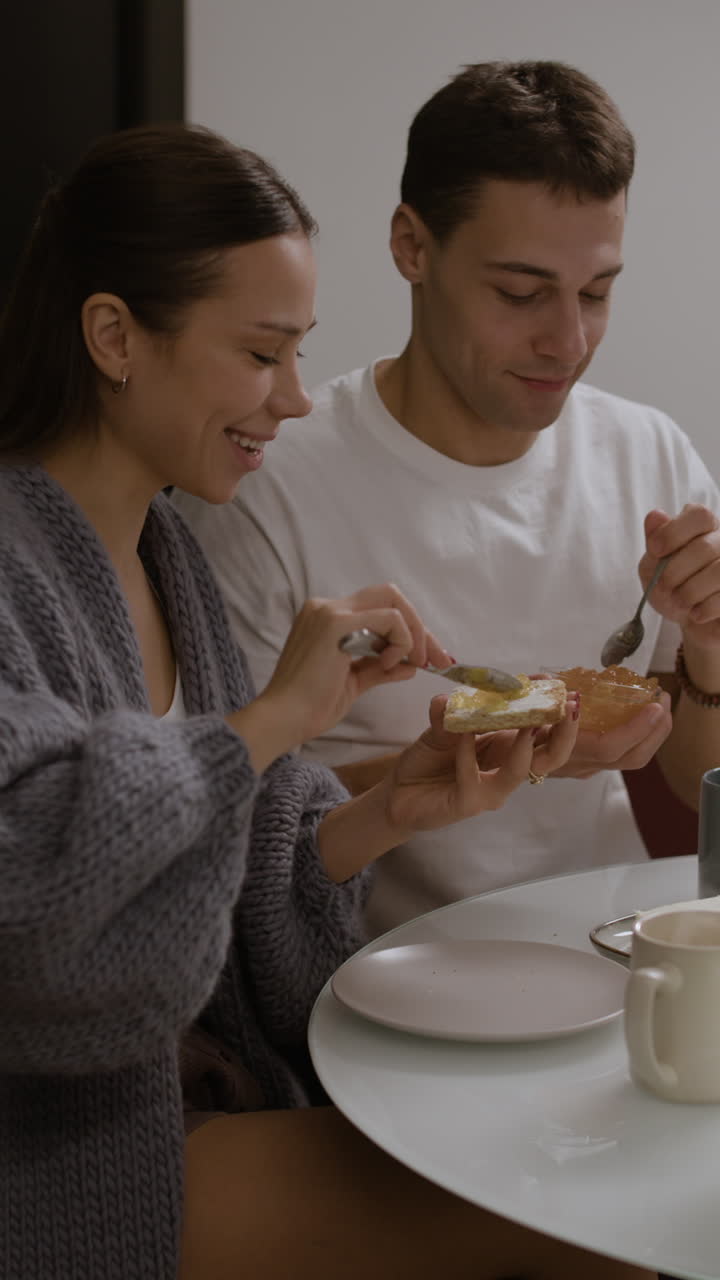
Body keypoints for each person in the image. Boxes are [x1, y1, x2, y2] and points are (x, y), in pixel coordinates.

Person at [0, 120, 656, 1280]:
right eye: (262, 355)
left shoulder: (162, 557)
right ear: (114, 336)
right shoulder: (14, 564)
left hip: (192, 1099)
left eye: (300, 355)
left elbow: (228, 849)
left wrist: (392, 808)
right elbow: (40, 902)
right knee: (588, 1215)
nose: (296, 399)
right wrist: (271, 720)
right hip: (64, 1152)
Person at [174, 59, 720, 938]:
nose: (568, 340)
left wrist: (707, 647)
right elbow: (218, 823)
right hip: (356, 990)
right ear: (411, 246)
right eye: (519, 292)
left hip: (602, 966)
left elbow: (700, 783)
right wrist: (496, 756)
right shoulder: (263, 485)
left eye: (597, 292)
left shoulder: (648, 454)